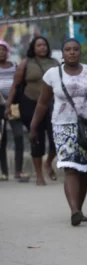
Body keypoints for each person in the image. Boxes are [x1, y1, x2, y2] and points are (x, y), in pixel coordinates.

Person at [30, 38, 87, 225]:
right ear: (62, 53)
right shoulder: (52, 74)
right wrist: (34, 126)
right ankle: (74, 210)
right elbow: (43, 102)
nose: (72, 52)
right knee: (71, 167)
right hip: (63, 125)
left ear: (80, 52)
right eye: (68, 49)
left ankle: (78, 208)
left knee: (85, 167)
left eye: (75, 49)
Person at [6, 36, 58, 185]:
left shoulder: (54, 63)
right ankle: (39, 175)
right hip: (30, 104)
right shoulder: (26, 63)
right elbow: (16, 84)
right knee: (36, 138)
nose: (42, 47)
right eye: (39, 45)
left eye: (44, 45)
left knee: (55, 139)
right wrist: (8, 104)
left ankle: (48, 162)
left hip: (51, 105)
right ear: (33, 48)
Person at [0, 40, 28, 182]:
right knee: (1, 139)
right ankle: (4, 172)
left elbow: (19, 85)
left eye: (3, 49)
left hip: (13, 107)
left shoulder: (15, 67)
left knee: (18, 136)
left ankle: (18, 171)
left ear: (7, 51)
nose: (1, 52)